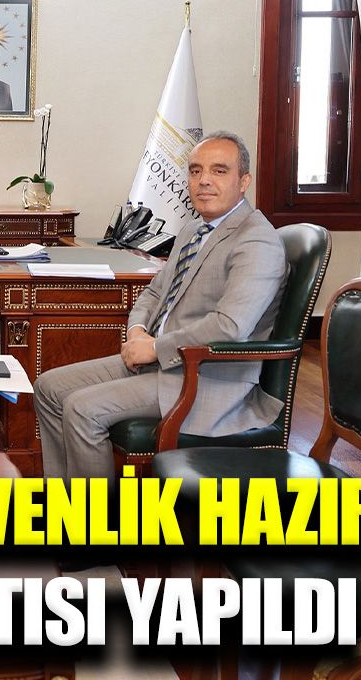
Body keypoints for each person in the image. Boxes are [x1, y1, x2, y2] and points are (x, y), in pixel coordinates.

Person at [34, 131, 288, 478]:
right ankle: (66, 501)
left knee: (82, 409)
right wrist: (138, 331)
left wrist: (155, 348)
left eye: (219, 171)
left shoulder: (257, 239)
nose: (204, 181)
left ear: (244, 181)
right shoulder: (193, 230)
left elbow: (229, 326)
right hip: (163, 363)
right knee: (48, 388)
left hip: (206, 378)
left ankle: (93, 512)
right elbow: (154, 293)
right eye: (195, 171)